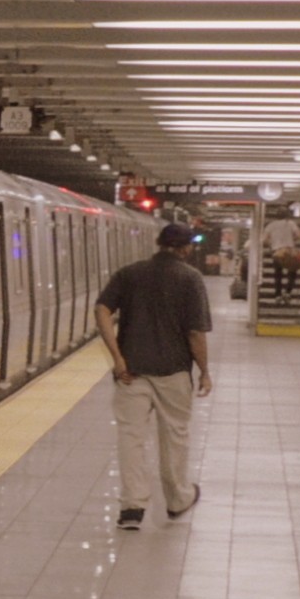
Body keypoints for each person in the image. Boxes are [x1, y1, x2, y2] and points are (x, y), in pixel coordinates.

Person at [94, 219, 212, 531]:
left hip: (131, 372)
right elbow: (196, 333)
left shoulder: (130, 273)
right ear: (186, 248)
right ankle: (177, 500)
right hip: (173, 373)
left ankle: (132, 508)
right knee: (175, 436)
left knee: (130, 437)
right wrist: (205, 371)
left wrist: (117, 358)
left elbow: (101, 310)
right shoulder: (191, 278)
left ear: (159, 244)